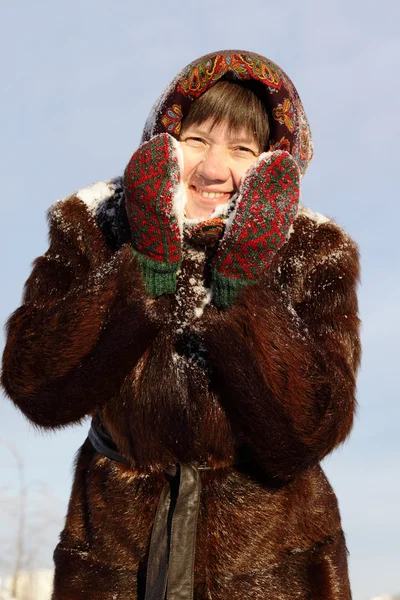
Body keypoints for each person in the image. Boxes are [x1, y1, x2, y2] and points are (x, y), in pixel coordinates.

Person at [1, 50, 361, 599]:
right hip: (117, 557)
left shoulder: (314, 250)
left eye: (242, 149)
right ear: (163, 145)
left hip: (274, 566)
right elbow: (37, 388)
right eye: (197, 141)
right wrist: (139, 275)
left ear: (274, 166)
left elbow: (308, 432)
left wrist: (244, 300)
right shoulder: (95, 224)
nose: (215, 169)